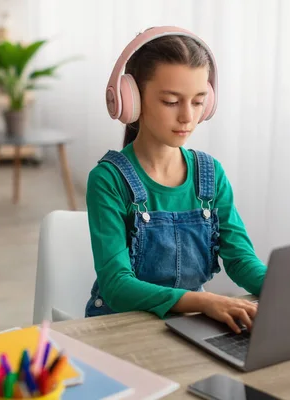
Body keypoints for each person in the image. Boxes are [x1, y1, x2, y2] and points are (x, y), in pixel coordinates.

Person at [85, 26, 266, 334]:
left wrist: (289, 290)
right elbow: (116, 285)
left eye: (198, 102)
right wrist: (204, 302)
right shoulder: (109, 180)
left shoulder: (211, 175)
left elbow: (241, 260)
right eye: (171, 101)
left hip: (189, 324)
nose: (187, 117)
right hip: (122, 328)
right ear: (132, 101)